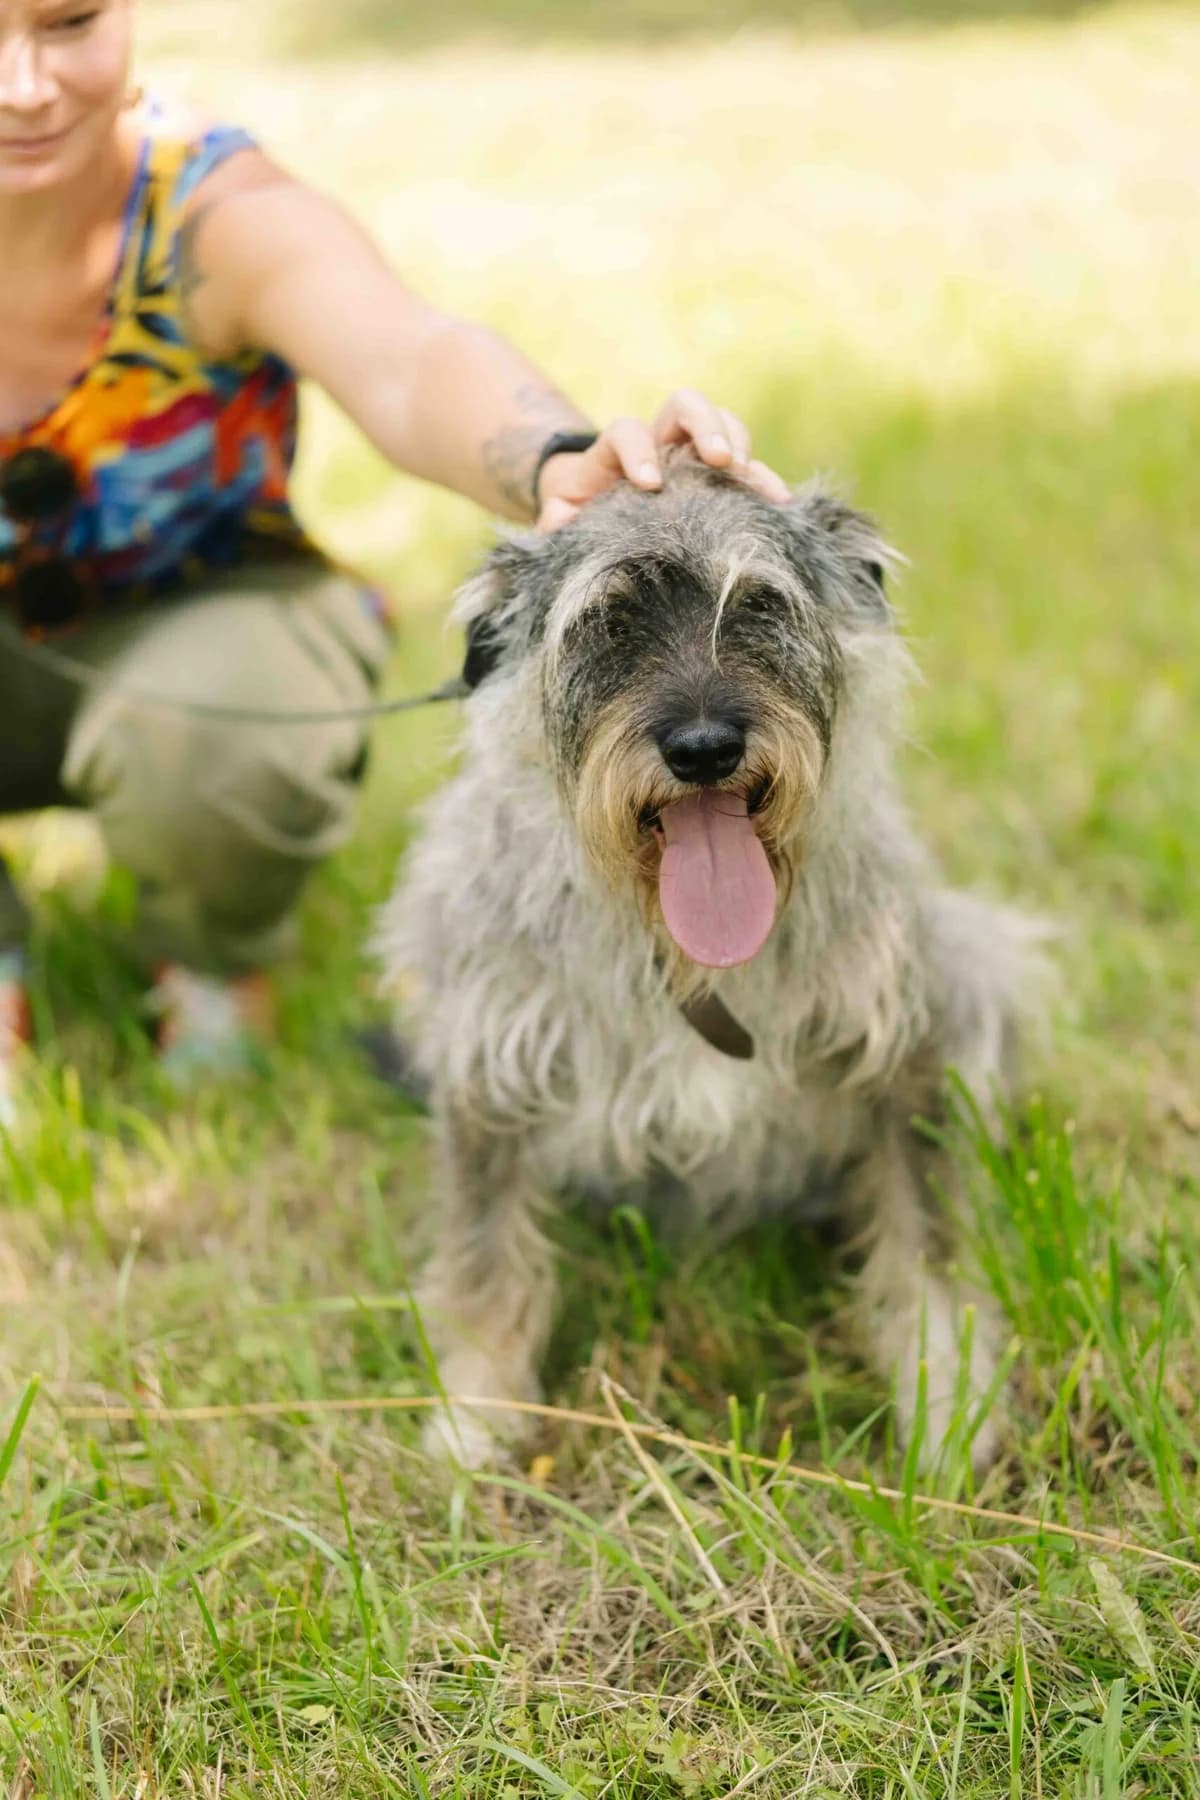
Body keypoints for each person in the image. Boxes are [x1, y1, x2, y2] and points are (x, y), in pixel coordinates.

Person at [0, 0, 789, 1126]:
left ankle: (212, 957)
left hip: (196, 622)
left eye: (68, 20)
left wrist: (556, 457)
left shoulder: (211, 209)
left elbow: (408, 361)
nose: (22, 83)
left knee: (222, 725)